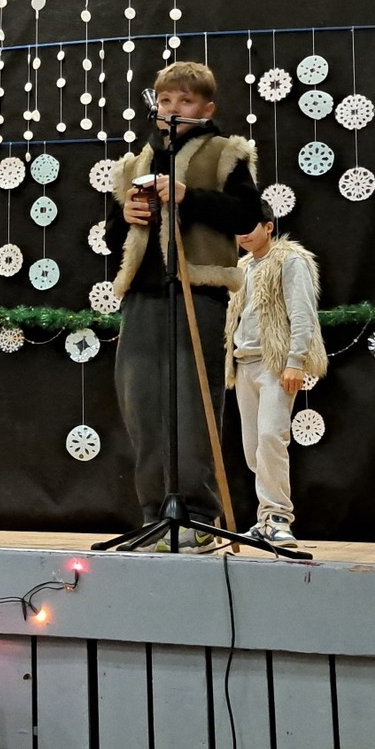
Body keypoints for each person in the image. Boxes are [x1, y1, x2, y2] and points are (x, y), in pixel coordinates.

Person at [105, 61, 262, 551]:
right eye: (166, 100)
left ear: (206, 108)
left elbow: (247, 215)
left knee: (193, 406)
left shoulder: (226, 153)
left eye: (185, 101)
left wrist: (187, 196)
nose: (173, 109)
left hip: (197, 291)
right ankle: (155, 514)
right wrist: (125, 215)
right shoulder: (134, 163)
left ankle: (199, 516)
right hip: (144, 294)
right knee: (142, 406)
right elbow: (112, 239)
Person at [224, 206, 327, 546]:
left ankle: (279, 516)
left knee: (272, 437)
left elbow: (302, 312)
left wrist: (295, 361)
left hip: (275, 363)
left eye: (249, 226)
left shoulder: (289, 260)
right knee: (253, 448)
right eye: (237, 228)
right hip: (244, 363)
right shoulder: (241, 267)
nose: (243, 235)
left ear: (268, 227)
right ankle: (264, 518)